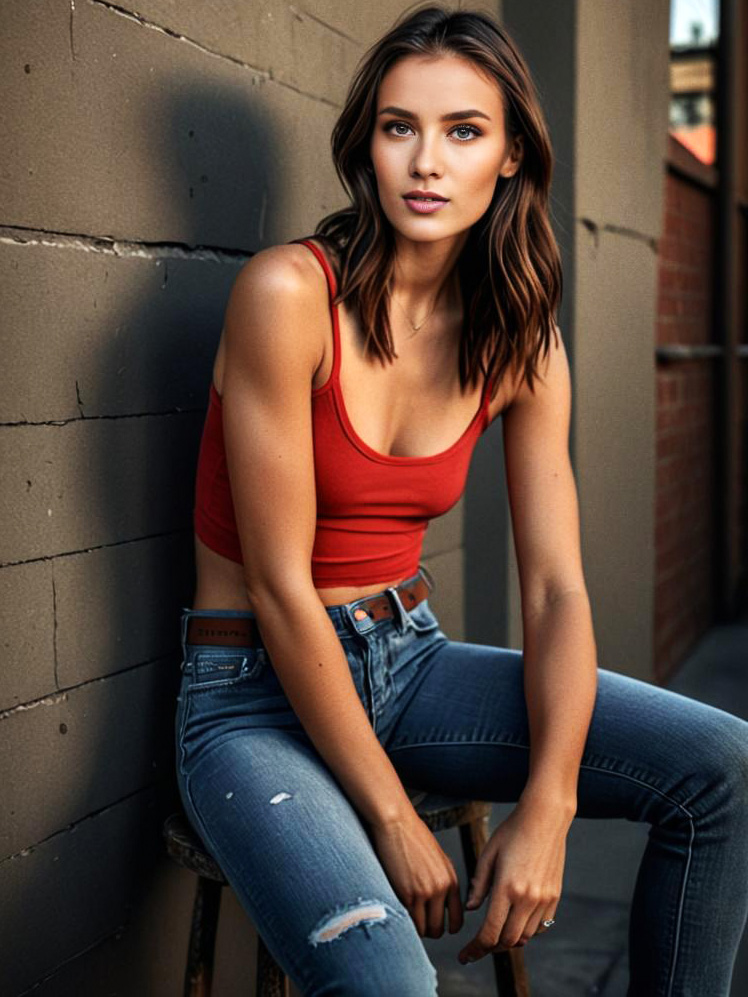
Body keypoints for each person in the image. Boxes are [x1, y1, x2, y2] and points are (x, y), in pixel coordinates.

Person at [174, 5, 748, 995]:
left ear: (513, 154)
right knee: (396, 984)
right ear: (368, 143)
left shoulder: (519, 339)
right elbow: (275, 585)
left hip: (409, 661)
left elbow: (558, 589)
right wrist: (393, 816)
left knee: (722, 767)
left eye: (463, 130)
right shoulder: (286, 296)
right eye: (400, 127)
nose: (426, 162)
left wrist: (550, 804)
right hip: (253, 696)